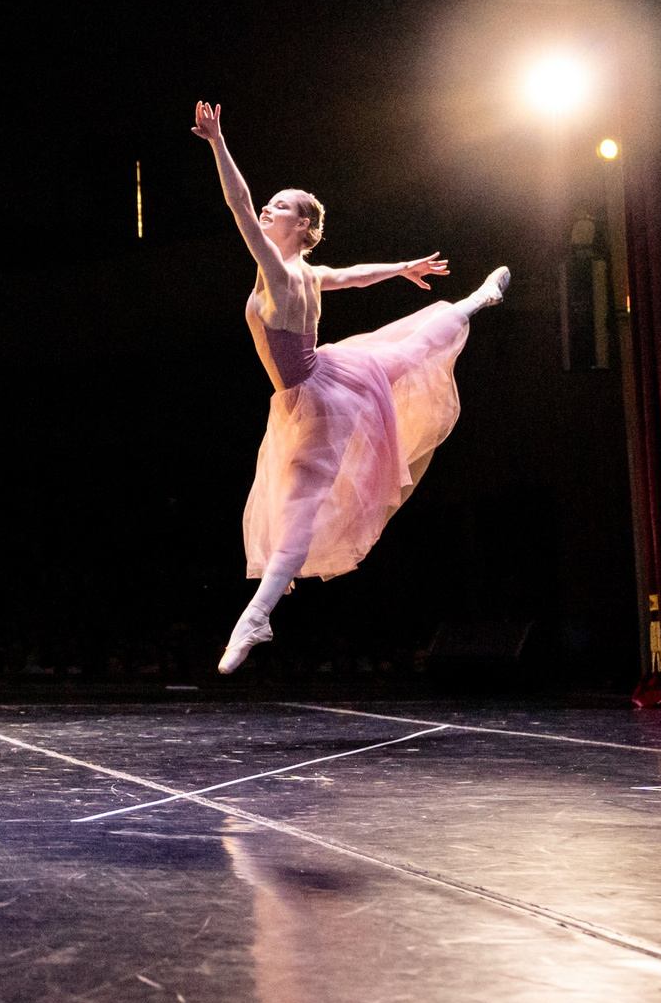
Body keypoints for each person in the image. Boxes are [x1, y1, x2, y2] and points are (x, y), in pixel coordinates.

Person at [192, 100, 506, 674]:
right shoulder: (309, 274)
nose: (266, 207)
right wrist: (401, 267)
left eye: (280, 206)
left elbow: (236, 202)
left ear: (303, 228)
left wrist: (216, 141)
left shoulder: (283, 272)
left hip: (316, 400)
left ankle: (255, 617)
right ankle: (478, 300)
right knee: (408, 351)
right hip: (325, 383)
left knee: (297, 514)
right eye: (270, 202)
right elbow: (354, 275)